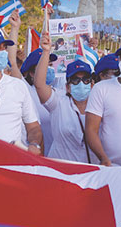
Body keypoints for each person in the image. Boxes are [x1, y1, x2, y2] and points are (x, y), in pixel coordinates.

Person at [34, 32, 96, 163]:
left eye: (85, 79)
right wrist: (46, 52)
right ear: (67, 86)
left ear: (92, 84)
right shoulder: (58, 102)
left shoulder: (100, 104)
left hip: (92, 172)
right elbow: (39, 84)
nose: (81, 83)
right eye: (75, 80)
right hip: (62, 170)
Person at [19, 47, 59, 155]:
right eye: (45, 65)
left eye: (50, 65)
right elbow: (13, 65)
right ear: (32, 73)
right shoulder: (25, 90)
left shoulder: (57, 91)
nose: (49, 68)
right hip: (36, 154)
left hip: (56, 154)